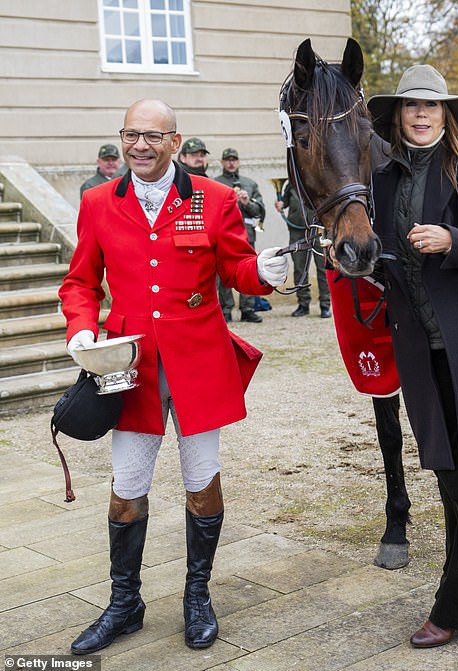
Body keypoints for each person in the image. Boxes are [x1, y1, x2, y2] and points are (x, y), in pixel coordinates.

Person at [59, 99, 288, 655]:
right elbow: (81, 282)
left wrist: (262, 271)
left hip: (198, 357)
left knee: (201, 480)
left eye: (153, 136)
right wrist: (81, 330)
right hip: (130, 364)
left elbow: (236, 267)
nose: (140, 145)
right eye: (131, 134)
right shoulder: (97, 202)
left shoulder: (215, 198)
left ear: (175, 141)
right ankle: (124, 603)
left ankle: (197, 596)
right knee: (126, 487)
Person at [367, 65, 458, 648]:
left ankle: (457, 604)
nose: (422, 115)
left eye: (432, 107)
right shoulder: (381, 181)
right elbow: (382, 259)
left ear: (447, 116)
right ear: (398, 117)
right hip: (417, 344)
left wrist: (453, 242)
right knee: (455, 469)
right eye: (412, 108)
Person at [214, 148, 266, 322]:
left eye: (234, 160)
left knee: (249, 270)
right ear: (221, 162)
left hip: (247, 234)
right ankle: (226, 309)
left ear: (238, 162)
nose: (231, 163)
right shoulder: (216, 183)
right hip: (222, 235)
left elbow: (259, 211)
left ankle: (248, 308)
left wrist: (246, 203)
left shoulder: (249, 183)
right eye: (227, 160)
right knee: (223, 274)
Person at [275, 181, 331, 318]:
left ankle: (325, 304)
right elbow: (286, 201)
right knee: (300, 268)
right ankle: (303, 303)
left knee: (323, 267)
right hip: (297, 230)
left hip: (318, 229)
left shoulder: (319, 181)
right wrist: (281, 204)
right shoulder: (292, 184)